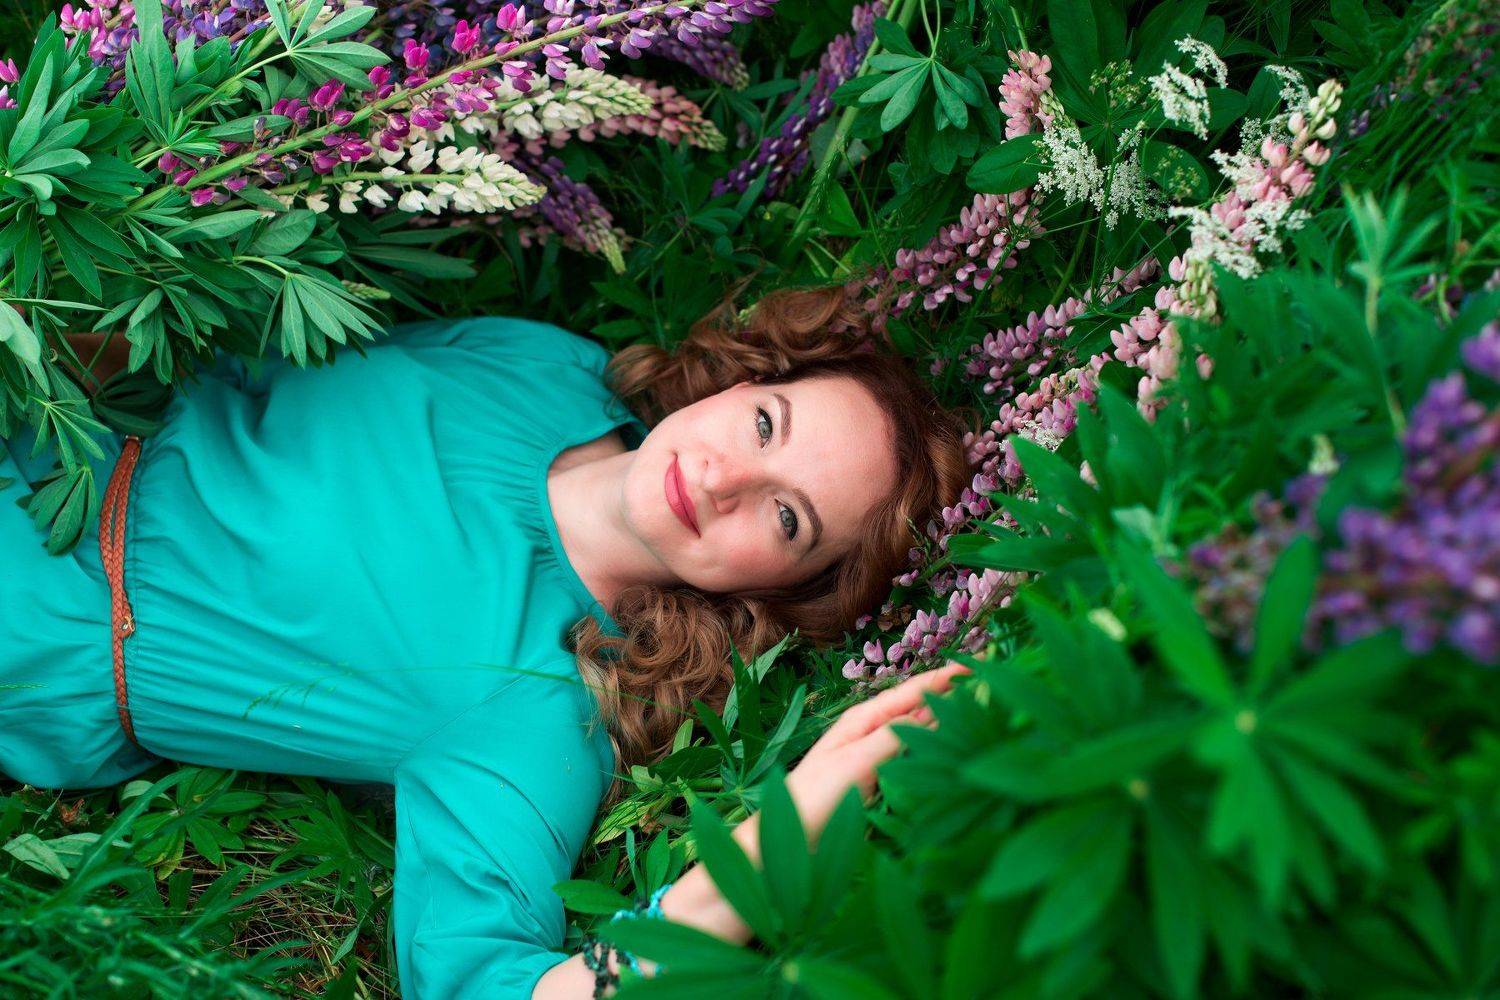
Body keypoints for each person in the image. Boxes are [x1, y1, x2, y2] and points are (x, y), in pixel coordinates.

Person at [0, 282, 977, 997]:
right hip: (50, 369)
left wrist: (751, 870)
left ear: (784, 590)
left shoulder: (537, 703)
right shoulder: (549, 366)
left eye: (787, 518)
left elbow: (484, 982)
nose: (726, 480)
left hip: (34, 610)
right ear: (744, 379)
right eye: (766, 423)